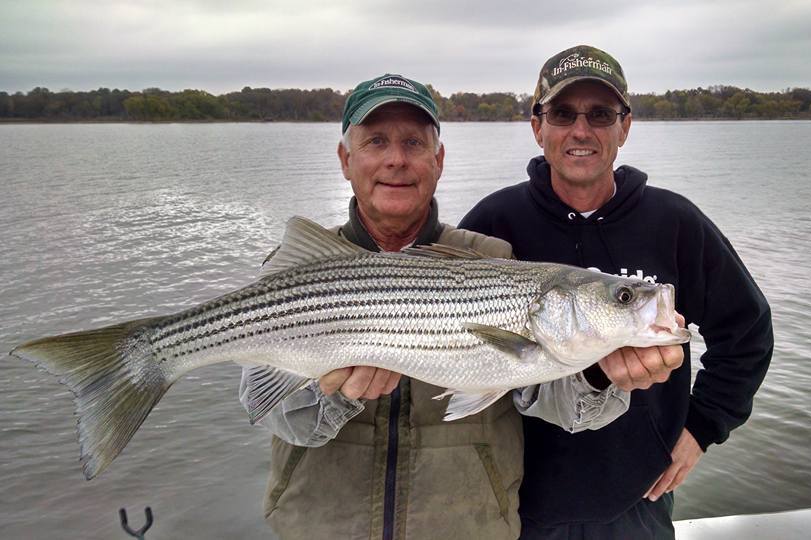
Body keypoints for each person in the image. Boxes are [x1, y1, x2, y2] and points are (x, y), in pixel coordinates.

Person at [460, 45, 775, 539]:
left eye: (601, 114)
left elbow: (747, 332)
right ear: (537, 126)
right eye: (562, 113)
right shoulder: (493, 224)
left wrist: (701, 429)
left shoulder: (675, 223)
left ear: (624, 127)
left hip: (636, 498)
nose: (581, 131)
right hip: (514, 498)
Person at [239, 74, 523, 539]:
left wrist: (598, 374)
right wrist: (333, 399)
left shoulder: (494, 260)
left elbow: (548, 399)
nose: (396, 159)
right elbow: (263, 405)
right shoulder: (301, 267)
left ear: (439, 159)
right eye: (376, 141)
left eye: (414, 142)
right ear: (345, 160)